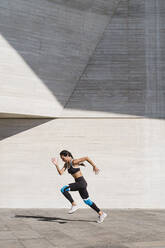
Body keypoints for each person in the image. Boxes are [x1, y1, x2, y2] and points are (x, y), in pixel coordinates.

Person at [51, 150, 107, 224]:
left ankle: (74, 204)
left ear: (67, 155)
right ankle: (101, 214)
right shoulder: (66, 164)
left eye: (63, 158)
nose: (62, 160)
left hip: (81, 182)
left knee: (63, 189)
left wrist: (94, 166)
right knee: (87, 201)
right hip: (80, 183)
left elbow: (87, 158)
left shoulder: (74, 161)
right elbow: (60, 173)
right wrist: (56, 165)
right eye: (61, 159)